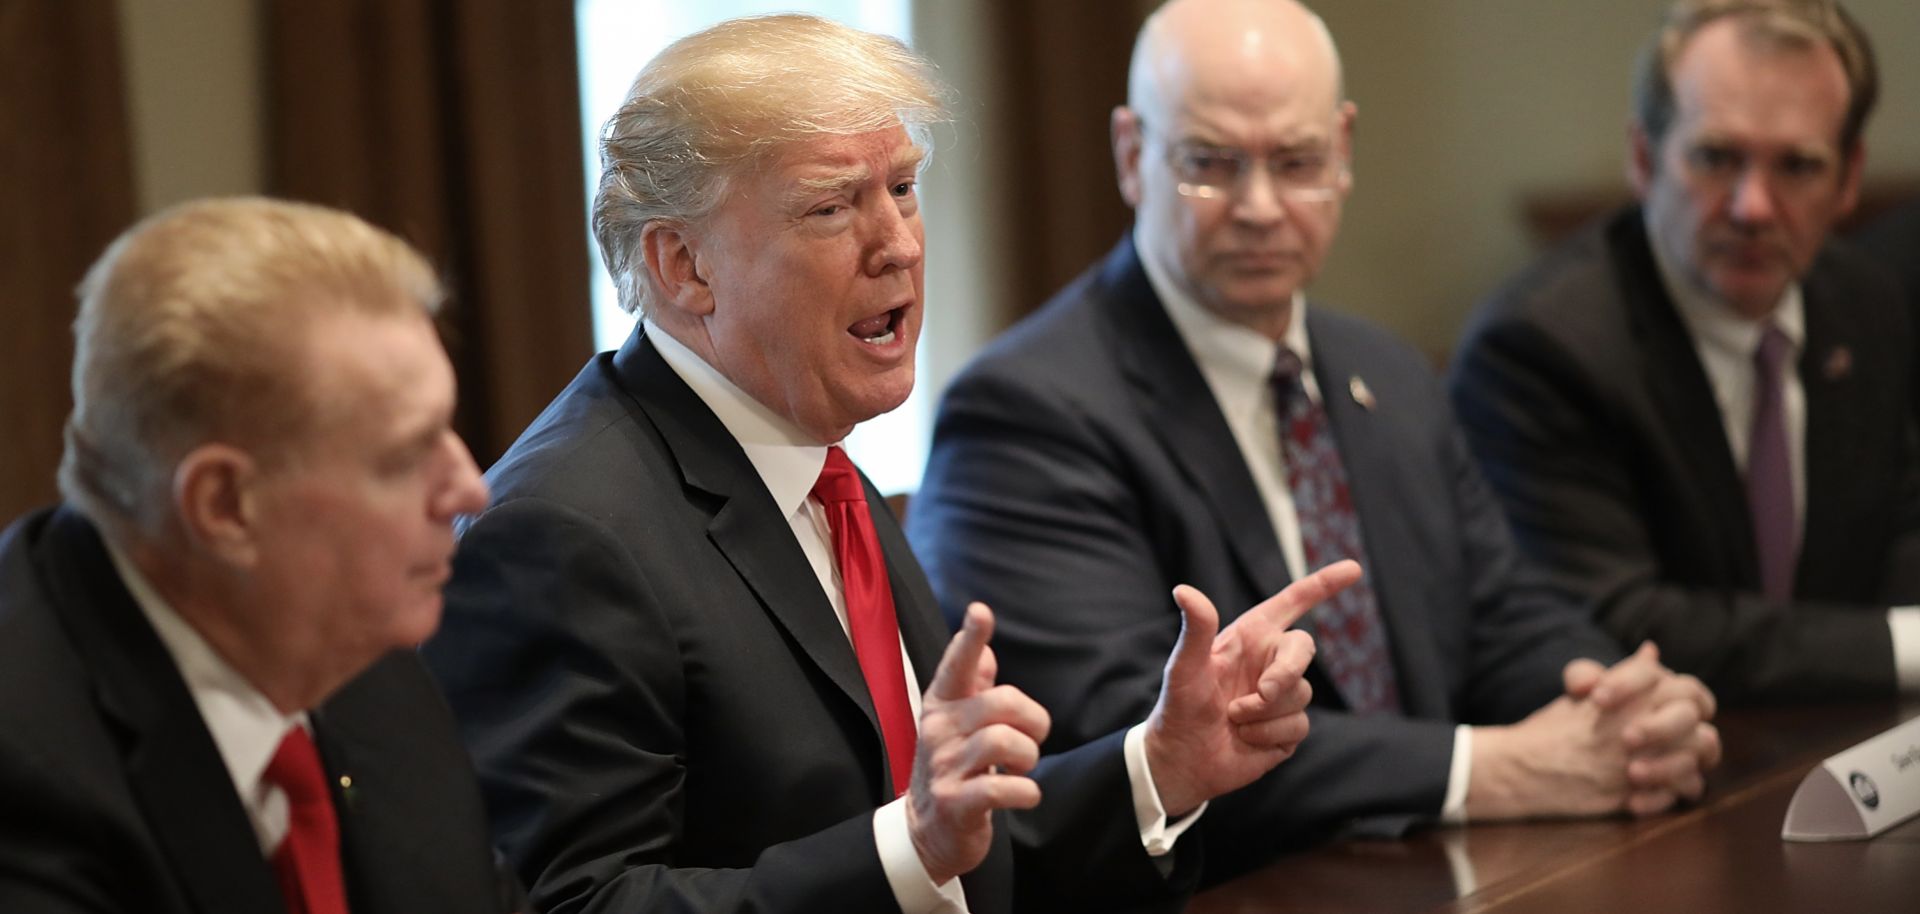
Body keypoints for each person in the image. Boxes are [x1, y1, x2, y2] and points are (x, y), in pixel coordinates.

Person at [423, 14, 1346, 914]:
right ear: (683, 266)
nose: (898, 243)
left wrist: (1159, 766)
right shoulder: (558, 533)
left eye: (902, 188)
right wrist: (912, 846)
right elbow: (580, 900)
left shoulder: (816, 461)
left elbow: (962, 856)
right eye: (831, 206)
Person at [907, 0, 1720, 879]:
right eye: (1211, 164)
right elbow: (1137, 735)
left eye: (1296, 163)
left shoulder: (1389, 373)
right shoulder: (1025, 410)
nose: (1260, 207)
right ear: (1132, 155)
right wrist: (1491, 771)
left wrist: (1620, 707)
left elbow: (1502, 615)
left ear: (1343, 150)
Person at [0, 198, 514, 913]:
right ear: (224, 506)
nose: (470, 490)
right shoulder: (26, 775)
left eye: (449, 430)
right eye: (404, 457)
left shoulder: (368, 662)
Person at [1450, 0, 1920, 701]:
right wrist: (1903, 645)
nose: (1752, 207)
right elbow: (1617, 624)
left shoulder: (1867, 305)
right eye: (1716, 158)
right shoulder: (1539, 349)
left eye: (1797, 166)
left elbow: (1903, 538)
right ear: (1644, 158)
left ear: (1849, 178)